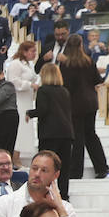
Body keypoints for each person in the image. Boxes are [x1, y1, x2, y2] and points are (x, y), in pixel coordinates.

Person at [62, 42, 109, 180]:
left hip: (75, 104)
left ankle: (76, 172)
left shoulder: (66, 64)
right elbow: (98, 80)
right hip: (91, 103)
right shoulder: (89, 61)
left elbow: (65, 85)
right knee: (91, 135)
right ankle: (101, 168)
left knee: (77, 138)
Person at [32, 64, 75, 199]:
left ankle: (45, 193)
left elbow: (42, 110)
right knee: (63, 167)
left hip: (49, 133)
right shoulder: (65, 91)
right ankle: (63, 195)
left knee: (45, 166)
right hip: (66, 132)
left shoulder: (43, 90)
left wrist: (30, 113)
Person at [6, 40, 41, 162]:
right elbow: (13, 81)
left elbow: (35, 77)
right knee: (19, 129)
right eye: (32, 51)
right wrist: (30, 85)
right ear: (24, 52)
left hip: (27, 100)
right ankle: (15, 158)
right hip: (18, 100)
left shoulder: (28, 65)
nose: (34, 54)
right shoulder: (16, 64)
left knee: (24, 129)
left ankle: (18, 156)